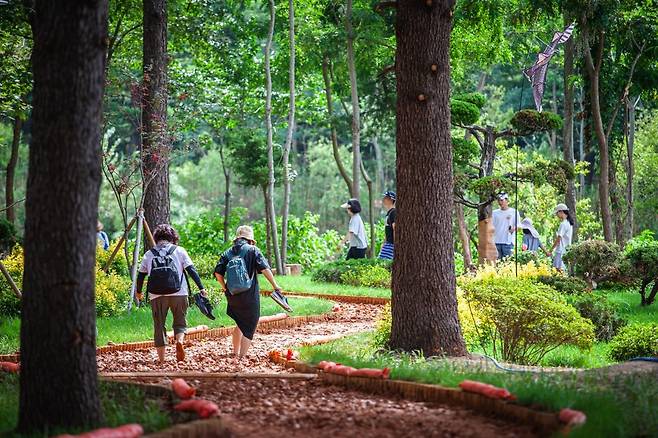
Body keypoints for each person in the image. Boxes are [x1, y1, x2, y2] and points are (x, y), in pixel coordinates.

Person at [135, 224, 206, 364]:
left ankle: (161, 359)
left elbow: (141, 276)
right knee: (180, 321)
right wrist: (201, 288)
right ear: (172, 237)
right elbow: (192, 270)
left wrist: (138, 292)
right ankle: (179, 341)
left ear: (156, 238)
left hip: (156, 295)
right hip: (179, 293)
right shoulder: (179, 251)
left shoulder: (149, 254)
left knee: (159, 325)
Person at [214, 225, 286, 362]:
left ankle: (235, 353)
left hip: (232, 295)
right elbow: (265, 269)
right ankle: (241, 357)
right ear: (250, 240)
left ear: (237, 238)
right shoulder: (253, 250)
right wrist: (275, 286)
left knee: (239, 321)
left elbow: (218, 273)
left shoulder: (227, 252)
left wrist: (225, 288)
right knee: (250, 324)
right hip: (249, 294)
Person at [492, 193, 521, 260]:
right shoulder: (494, 213)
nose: (500, 202)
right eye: (498, 200)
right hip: (496, 242)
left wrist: (514, 229)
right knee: (498, 264)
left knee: (508, 263)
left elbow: (519, 225)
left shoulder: (514, 212)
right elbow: (492, 227)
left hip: (508, 242)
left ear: (507, 201)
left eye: (502, 200)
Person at [547, 203, 574, 272]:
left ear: (561, 212)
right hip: (565, 250)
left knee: (559, 270)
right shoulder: (568, 223)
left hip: (560, 250)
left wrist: (550, 250)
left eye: (557, 213)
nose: (556, 215)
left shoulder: (563, 224)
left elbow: (558, 239)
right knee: (562, 270)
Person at [378, 191, 396, 260]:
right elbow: (387, 230)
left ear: (391, 200)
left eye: (386, 198)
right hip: (387, 244)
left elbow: (395, 229)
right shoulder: (389, 213)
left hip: (391, 245)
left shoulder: (394, 212)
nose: (384, 199)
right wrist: (384, 243)